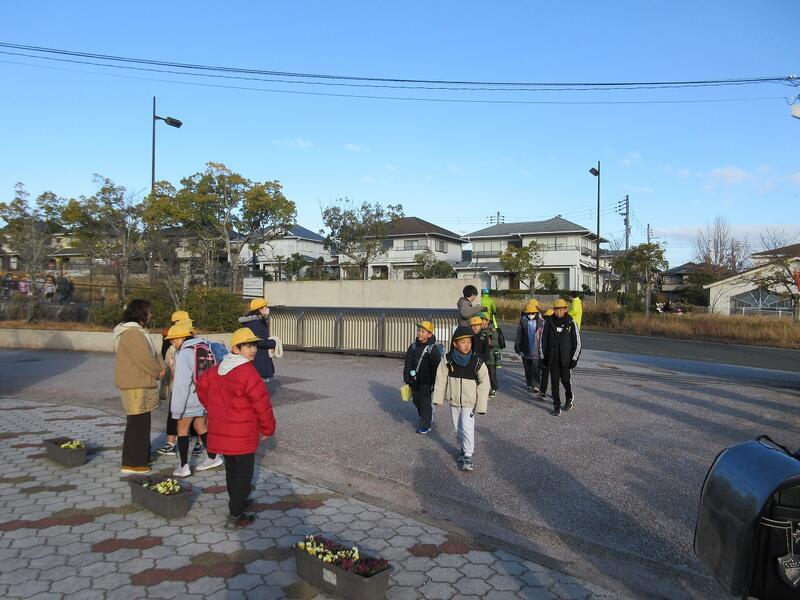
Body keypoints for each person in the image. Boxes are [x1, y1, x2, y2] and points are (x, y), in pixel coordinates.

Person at [197, 327, 276, 530]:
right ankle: (235, 514)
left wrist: (213, 408)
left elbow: (201, 387)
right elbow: (262, 404)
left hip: (223, 432)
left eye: (254, 346)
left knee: (232, 470)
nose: (253, 350)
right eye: (247, 346)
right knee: (243, 474)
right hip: (242, 434)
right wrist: (268, 429)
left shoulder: (217, 369)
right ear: (235, 349)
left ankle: (237, 501)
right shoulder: (248, 373)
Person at [164, 322, 224, 477]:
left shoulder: (184, 353)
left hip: (189, 399)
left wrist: (176, 409)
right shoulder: (203, 346)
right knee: (200, 425)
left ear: (182, 338)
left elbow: (181, 384)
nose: (173, 343)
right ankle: (213, 457)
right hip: (203, 397)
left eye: (174, 340)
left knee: (182, 429)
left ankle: (183, 466)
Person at [113, 299, 165, 474]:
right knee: (137, 424)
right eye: (149, 312)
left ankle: (141, 457)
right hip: (135, 385)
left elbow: (152, 355)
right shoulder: (132, 334)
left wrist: (160, 367)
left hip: (139, 384)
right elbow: (144, 359)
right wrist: (158, 371)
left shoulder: (136, 332)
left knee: (142, 423)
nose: (151, 315)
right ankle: (133, 463)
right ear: (141, 313)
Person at [433, 325, 490, 472]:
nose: (467, 345)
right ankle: (463, 449)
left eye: (469, 342)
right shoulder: (448, 359)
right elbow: (441, 377)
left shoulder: (477, 361)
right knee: (457, 427)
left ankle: (468, 455)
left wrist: (481, 405)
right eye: (463, 342)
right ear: (454, 343)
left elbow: (485, 383)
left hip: (469, 402)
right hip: (454, 400)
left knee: (467, 426)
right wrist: (438, 398)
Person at [157, 310, 201, 457]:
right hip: (179, 385)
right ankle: (175, 445)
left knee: (195, 416)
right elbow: (166, 363)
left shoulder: (192, 341)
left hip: (189, 386)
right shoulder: (170, 341)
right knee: (178, 415)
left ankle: (195, 445)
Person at [541, 299, 581, 417]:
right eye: (556, 310)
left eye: (560, 310)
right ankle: (556, 406)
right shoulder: (549, 322)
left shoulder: (571, 323)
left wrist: (574, 359)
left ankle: (569, 397)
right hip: (552, 358)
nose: (558, 312)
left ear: (565, 310)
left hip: (566, 359)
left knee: (565, 380)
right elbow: (543, 341)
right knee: (554, 383)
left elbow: (577, 343)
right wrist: (543, 357)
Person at [402, 321, 442, 434]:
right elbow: (408, 362)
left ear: (429, 334)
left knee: (424, 403)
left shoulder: (433, 348)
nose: (420, 333)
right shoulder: (413, 346)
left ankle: (426, 424)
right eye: (419, 331)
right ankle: (427, 414)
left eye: (423, 331)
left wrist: (435, 383)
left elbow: (436, 367)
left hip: (426, 381)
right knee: (416, 401)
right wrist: (406, 377)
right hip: (414, 380)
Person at [239, 298, 277, 382]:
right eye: (265, 307)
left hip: (256, 358)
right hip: (259, 359)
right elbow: (260, 341)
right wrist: (273, 343)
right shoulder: (256, 323)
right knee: (258, 384)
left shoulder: (252, 322)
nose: (267, 309)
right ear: (260, 309)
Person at [514, 300, 544, 393]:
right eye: (529, 313)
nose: (531, 315)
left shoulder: (541, 321)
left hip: (536, 349)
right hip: (525, 348)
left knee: (536, 368)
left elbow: (543, 336)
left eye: (533, 313)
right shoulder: (523, 320)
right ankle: (529, 383)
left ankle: (536, 385)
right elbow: (519, 335)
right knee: (527, 368)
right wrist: (518, 348)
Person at [535, 308, 554, 400]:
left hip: (548, 355)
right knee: (549, 375)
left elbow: (537, 341)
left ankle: (543, 392)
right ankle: (546, 392)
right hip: (546, 355)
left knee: (547, 375)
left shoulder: (541, 328)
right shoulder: (542, 329)